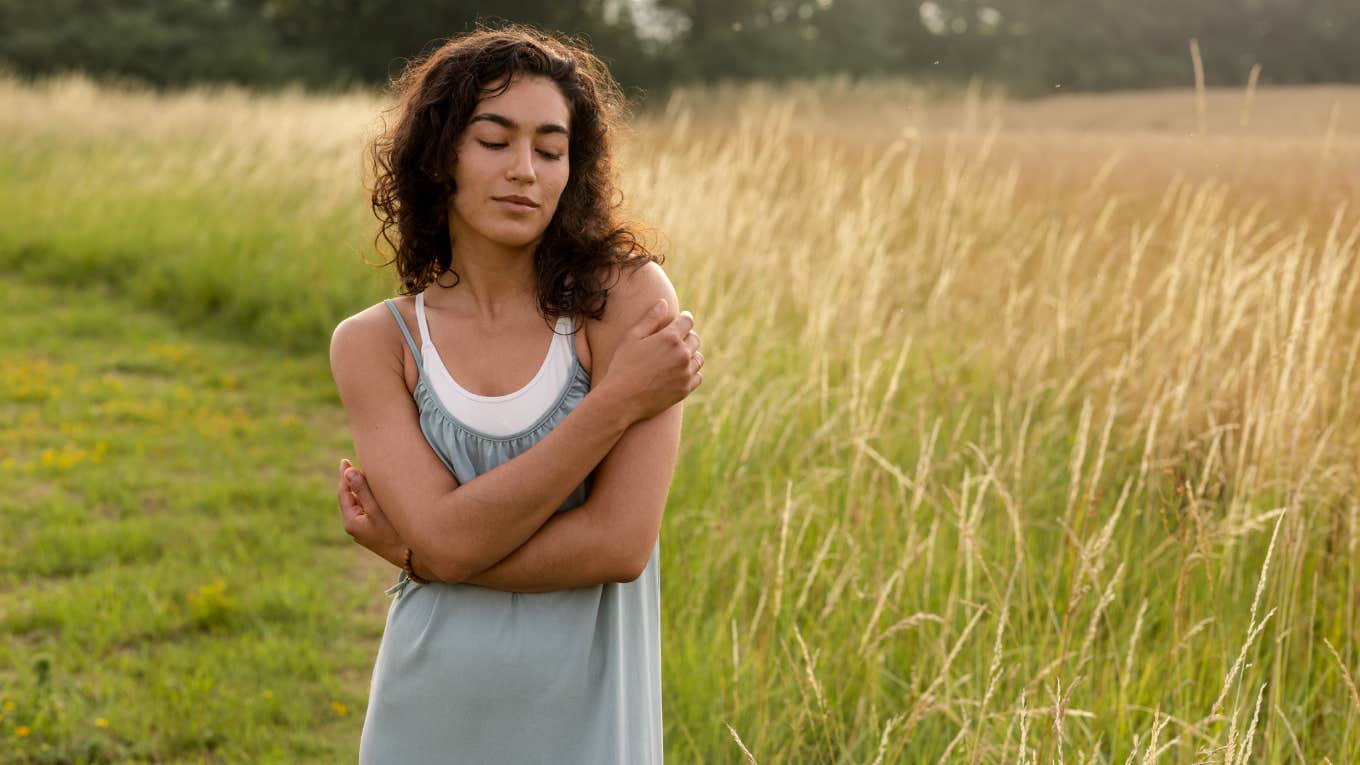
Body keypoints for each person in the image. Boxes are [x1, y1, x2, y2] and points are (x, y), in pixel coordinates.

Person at [326, 25, 703, 764]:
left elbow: (620, 544)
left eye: (550, 148)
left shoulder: (627, 300)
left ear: (573, 167)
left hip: (591, 728)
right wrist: (615, 403)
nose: (525, 170)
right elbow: (445, 541)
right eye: (494, 141)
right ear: (440, 159)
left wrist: (423, 552)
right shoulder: (376, 344)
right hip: (425, 721)